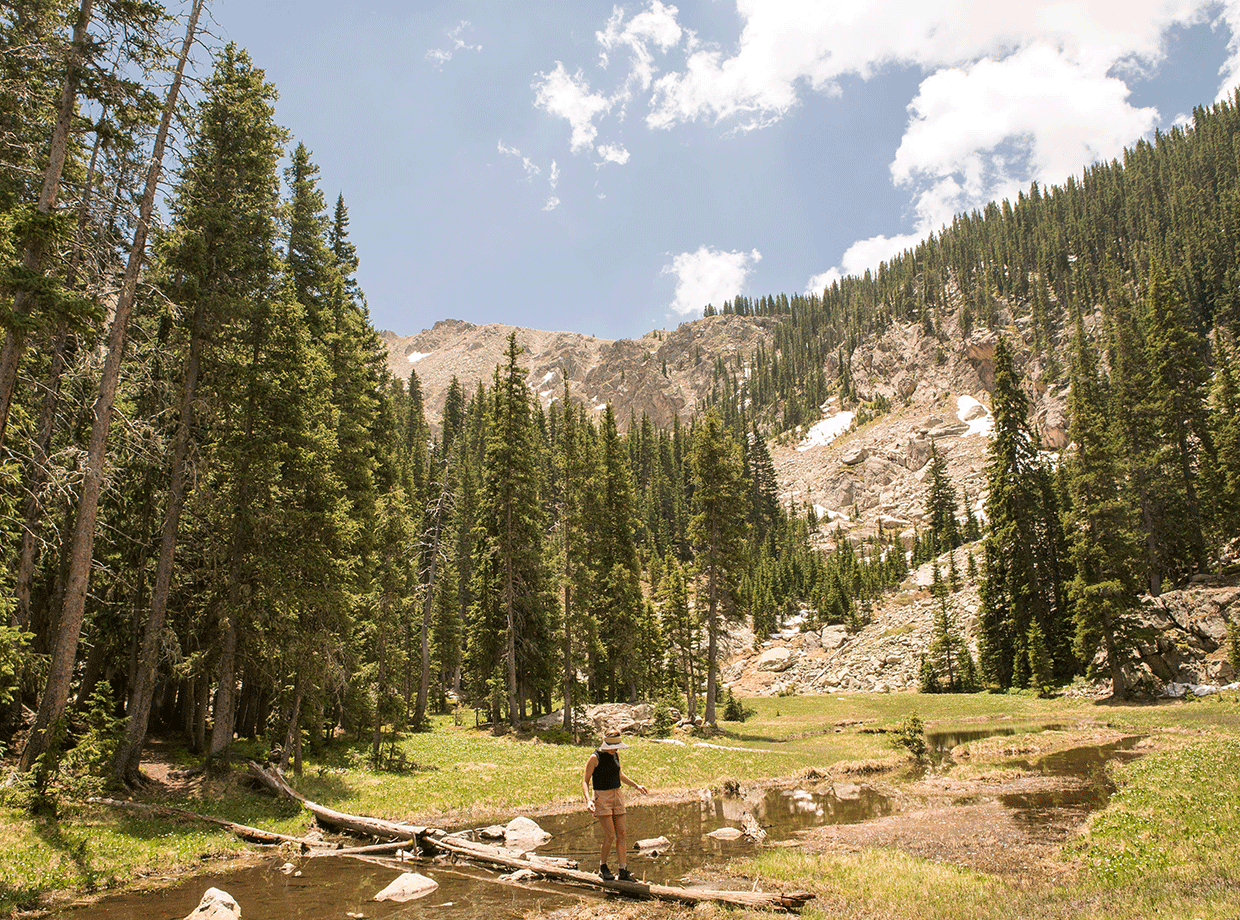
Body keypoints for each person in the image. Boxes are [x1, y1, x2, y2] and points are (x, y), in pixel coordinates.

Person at [582, 727, 647, 881]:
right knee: (610, 835)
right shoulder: (594, 757)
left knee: (622, 834)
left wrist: (636, 785)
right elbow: (585, 781)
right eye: (612, 747)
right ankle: (603, 867)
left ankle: (623, 870)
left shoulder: (616, 754)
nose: (614, 750)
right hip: (602, 797)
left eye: (616, 747)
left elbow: (619, 774)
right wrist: (588, 800)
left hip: (617, 794)